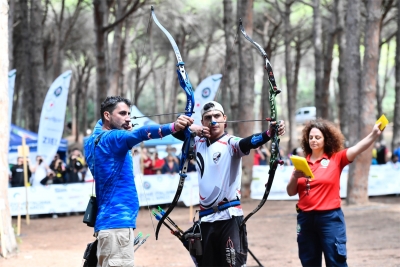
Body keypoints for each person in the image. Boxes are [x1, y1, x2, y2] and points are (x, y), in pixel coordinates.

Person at [172, 101, 286, 267]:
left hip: (229, 217)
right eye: (208, 117)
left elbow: (249, 142)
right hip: (206, 219)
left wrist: (268, 133)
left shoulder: (231, 142)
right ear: (202, 122)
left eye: (217, 116)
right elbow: (176, 131)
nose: (213, 120)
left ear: (225, 119)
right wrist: (192, 129)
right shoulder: (197, 142)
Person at [84, 96, 193, 267]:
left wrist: (121, 126)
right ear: (107, 115)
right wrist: (173, 127)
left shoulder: (92, 140)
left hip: (108, 226)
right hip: (117, 226)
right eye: (122, 113)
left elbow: (112, 141)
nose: (128, 118)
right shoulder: (113, 138)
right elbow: (141, 132)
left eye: (129, 113)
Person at [286, 118, 384, 267]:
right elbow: (290, 192)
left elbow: (357, 148)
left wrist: (374, 135)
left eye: (318, 137)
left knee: (336, 261)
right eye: (311, 137)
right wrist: (295, 177)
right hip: (305, 220)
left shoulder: (336, 159)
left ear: (326, 139)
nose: (313, 140)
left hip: (329, 219)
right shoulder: (301, 162)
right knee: (308, 262)